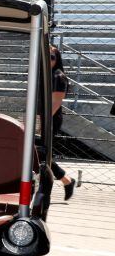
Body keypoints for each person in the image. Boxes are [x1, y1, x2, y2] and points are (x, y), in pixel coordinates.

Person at [50, 46, 76, 200]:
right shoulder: (47, 74)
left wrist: (41, 122)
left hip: (50, 118)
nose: (49, 60)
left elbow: (56, 102)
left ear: (57, 59)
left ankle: (66, 180)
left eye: (52, 57)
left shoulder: (58, 76)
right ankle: (66, 181)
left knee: (39, 153)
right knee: (39, 153)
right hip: (43, 116)